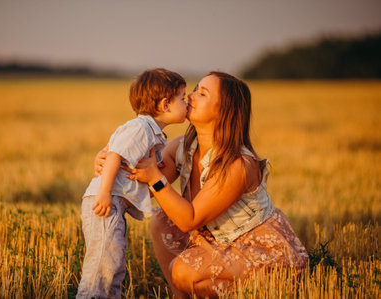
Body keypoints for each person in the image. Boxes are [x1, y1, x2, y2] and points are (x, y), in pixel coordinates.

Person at [95, 71, 309, 298]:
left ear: (224, 110)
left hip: (256, 251)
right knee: (161, 219)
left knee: (182, 269)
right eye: (195, 89)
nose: (191, 96)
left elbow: (189, 219)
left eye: (202, 93)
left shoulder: (237, 164)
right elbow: (141, 180)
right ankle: (182, 295)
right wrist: (111, 160)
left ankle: (263, 292)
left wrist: (156, 179)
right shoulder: (184, 147)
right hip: (217, 241)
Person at [77, 68, 188, 299]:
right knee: (102, 266)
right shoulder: (141, 129)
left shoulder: (153, 133)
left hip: (113, 203)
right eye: (183, 98)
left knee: (113, 261)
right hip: (107, 203)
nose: (187, 103)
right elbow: (114, 155)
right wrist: (105, 193)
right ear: (166, 104)